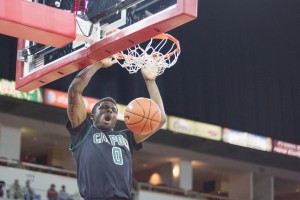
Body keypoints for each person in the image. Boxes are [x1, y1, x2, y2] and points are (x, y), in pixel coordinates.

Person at [66, 57, 167, 200]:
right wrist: (98, 63)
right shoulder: (84, 131)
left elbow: (160, 119)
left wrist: (150, 81)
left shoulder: (126, 138)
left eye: (113, 110)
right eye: (104, 108)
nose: (110, 111)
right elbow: (75, 90)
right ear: (92, 116)